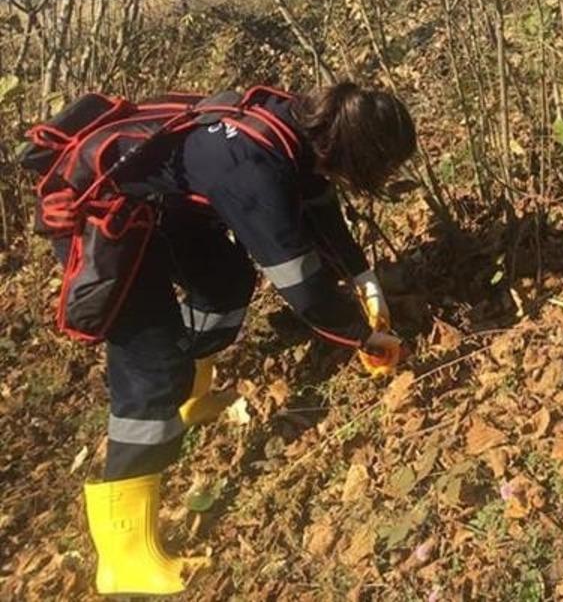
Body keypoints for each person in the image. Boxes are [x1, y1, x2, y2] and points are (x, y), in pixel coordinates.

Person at [26, 81, 415, 596]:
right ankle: (124, 557)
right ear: (353, 152)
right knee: (150, 369)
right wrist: (363, 337)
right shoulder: (252, 167)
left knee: (226, 282)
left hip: (162, 202)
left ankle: (188, 390)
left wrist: (362, 274)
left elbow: (317, 204)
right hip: (102, 212)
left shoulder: (300, 125)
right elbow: (304, 289)